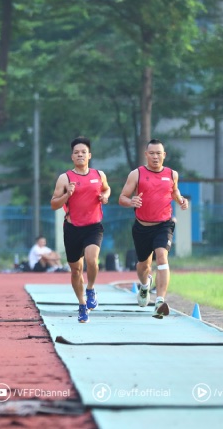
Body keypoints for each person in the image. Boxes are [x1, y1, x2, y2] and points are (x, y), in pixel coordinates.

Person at [118, 138, 189, 318]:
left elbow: (174, 191)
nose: (155, 157)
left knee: (162, 255)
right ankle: (144, 285)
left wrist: (180, 200)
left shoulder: (172, 174)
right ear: (146, 155)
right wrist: (131, 201)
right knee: (143, 265)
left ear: (164, 155)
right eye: (152, 153)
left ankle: (160, 300)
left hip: (163, 225)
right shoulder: (137, 174)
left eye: (159, 153)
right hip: (142, 227)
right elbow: (122, 198)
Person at [51, 136, 111, 324]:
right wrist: (67, 194)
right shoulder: (65, 178)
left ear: (89, 155)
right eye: (76, 152)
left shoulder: (99, 175)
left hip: (94, 226)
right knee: (76, 270)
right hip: (72, 228)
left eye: (83, 152)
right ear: (72, 156)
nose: (80, 155)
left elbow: (107, 189)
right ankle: (82, 304)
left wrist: (105, 196)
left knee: (92, 260)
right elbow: (54, 204)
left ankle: (91, 288)